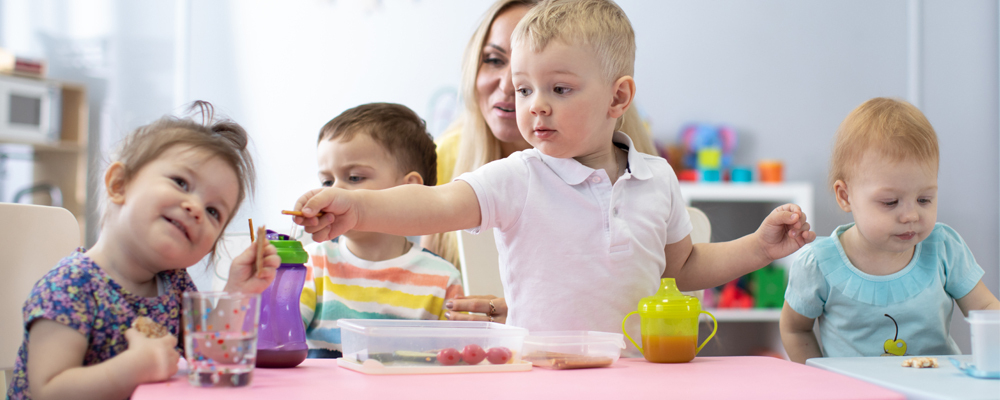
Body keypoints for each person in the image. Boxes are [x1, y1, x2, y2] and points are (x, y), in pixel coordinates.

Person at [292, 0, 813, 345]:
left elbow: (683, 266)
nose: (534, 106)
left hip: (637, 376)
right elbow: (435, 203)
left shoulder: (656, 178)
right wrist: (358, 206)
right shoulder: (517, 176)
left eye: (558, 89)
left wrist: (760, 249)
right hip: (538, 377)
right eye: (524, 89)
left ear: (618, 96)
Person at [6, 101, 281, 400]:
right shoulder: (69, 287)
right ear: (119, 184)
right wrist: (135, 368)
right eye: (181, 182)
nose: (196, 208)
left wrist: (236, 292)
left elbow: (208, 355)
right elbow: (48, 391)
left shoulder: (174, 284)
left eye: (214, 211)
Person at [428, 0, 657, 324]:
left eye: (559, 85)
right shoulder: (445, 157)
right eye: (494, 60)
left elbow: (666, 283)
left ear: (616, 97)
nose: (509, 86)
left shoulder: (645, 177)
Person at [780, 98, 1000, 364]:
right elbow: (795, 328)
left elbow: (987, 309)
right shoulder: (819, 264)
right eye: (890, 202)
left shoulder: (943, 247)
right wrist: (819, 382)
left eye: (924, 199)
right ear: (846, 196)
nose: (911, 215)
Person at [299, 103, 463, 359]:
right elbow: (274, 341)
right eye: (327, 182)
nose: (334, 191)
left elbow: (451, 367)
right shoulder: (311, 264)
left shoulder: (443, 281)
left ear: (409, 190)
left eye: (354, 178)